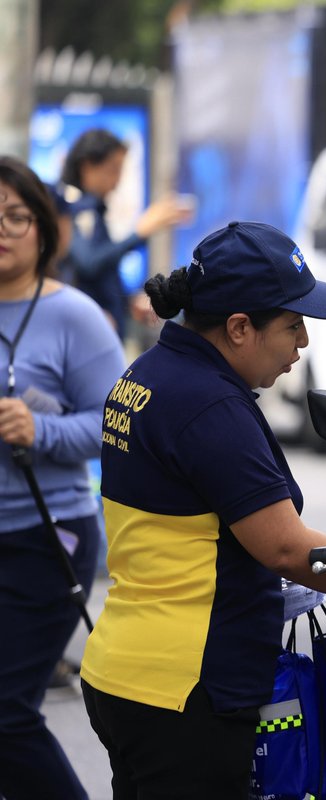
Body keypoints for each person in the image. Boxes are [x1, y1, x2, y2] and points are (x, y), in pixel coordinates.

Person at [78, 221, 326, 798]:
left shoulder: (151, 372)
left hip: (130, 671)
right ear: (240, 327)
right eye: (293, 325)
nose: (304, 342)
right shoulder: (208, 404)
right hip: (186, 689)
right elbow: (288, 549)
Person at [0, 156, 126, 800]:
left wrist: (39, 430)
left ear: (44, 229)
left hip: (45, 537)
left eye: (15, 216)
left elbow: (119, 424)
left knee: (5, 714)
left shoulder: (75, 316)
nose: (2, 230)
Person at [58, 127, 194, 343]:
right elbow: (88, 262)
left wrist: (127, 303)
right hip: (82, 334)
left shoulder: (92, 210)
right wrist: (140, 231)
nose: (117, 180)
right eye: (113, 169)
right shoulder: (71, 206)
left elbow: (100, 275)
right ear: (87, 167)